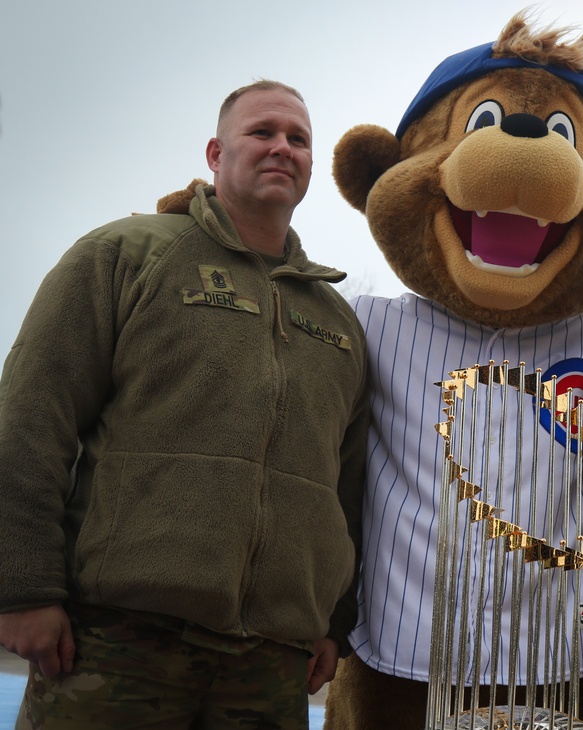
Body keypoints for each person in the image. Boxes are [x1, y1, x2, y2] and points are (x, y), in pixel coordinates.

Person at [0, 80, 369, 729]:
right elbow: (29, 421)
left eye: (298, 139)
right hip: (115, 646)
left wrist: (332, 622)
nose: (282, 147)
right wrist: (21, 587)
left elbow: (350, 487)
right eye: (262, 132)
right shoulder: (123, 256)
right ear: (215, 152)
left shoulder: (337, 323)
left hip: (270, 665)